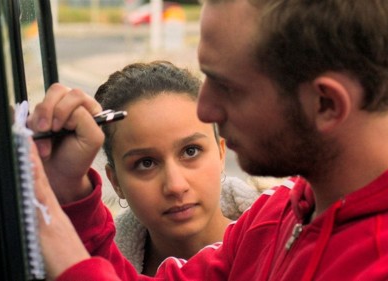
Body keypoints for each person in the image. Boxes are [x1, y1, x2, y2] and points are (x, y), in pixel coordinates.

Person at [29, 0, 388, 280]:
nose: (205, 111)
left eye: (227, 87)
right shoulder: (280, 214)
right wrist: (68, 191)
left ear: (325, 103)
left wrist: (52, 229)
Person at [94, 61, 263, 275]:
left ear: (221, 153)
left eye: (191, 151)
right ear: (115, 181)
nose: (175, 186)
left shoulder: (281, 247)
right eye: (146, 163)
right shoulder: (104, 271)